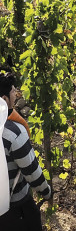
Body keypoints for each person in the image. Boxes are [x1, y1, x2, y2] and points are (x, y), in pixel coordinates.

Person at [0, 72, 51, 231]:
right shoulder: (13, 133)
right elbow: (32, 171)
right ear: (4, 99)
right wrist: (46, 192)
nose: (16, 93)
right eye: (13, 91)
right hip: (14, 207)